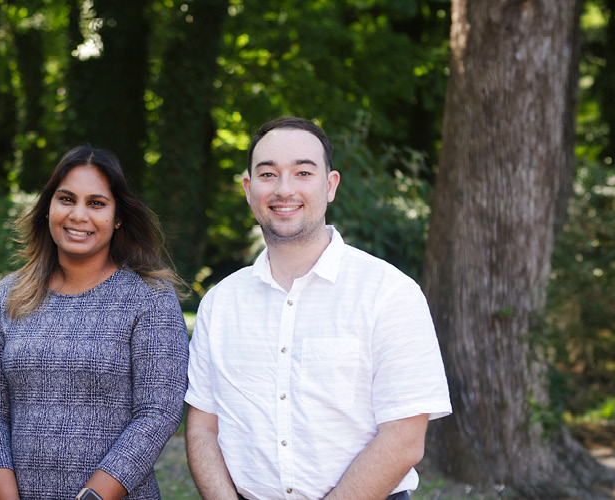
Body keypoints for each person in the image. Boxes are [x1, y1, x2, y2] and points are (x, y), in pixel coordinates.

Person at [185, 116, 452, 500]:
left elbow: (405, 438)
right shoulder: (220, 303)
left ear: (330, 186)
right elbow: (202, 429)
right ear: (248, 188)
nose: (284, 188)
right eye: (267, 174)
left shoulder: (390, 293)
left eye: (303, 173)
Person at [0, 145, 189, 500]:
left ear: (118, 216)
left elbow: (157, 413)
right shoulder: (10, 294)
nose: (78, 215)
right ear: (48, 209)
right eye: (66, 199)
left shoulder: (149, 297)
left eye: (96, 203)